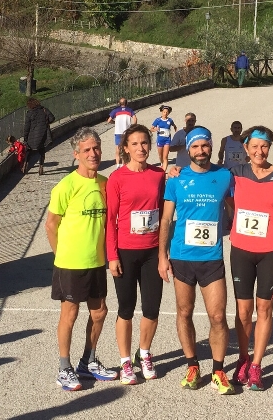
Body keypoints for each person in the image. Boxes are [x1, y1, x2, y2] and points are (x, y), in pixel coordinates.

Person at [158, 126, 236, 395]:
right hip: (182, 257)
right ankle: (192, 365)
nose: (200, 151)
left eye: (204, 146)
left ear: (211, 147)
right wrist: (162, 256)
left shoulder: (225, 176)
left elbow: (236, 209)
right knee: (184, 312)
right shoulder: (176, 179)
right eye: (195, 146)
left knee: (218, 316)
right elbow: (166, 219)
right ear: (188, 150)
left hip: (212, 258)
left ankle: (218, 370)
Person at [46, 127, 117, 391]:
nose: (93, 154)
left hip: (96, 262)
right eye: (86, 150)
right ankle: (64, 367)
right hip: (70, 263)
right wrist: (61, 255)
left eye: (96, 148)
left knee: (99, 312)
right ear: (76, 154)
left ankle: (87, 361)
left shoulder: (105, 183)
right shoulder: (66, 186)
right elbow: (51, 225)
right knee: (70, 313)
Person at [229, 126, 273, 391]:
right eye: (254, 146)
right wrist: (174, 170)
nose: (259, 151)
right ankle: (243, 358)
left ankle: (256, 365)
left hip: (270, 253)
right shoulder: (235, 173)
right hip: (241, 251)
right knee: (243, 311)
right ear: (245, 148)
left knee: (264, 308)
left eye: (264, 146)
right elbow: (207, 177)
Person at [106, 124, 166, 385]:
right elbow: (110, 220)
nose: (141, 148)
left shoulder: (158, 175)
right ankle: (125, 361)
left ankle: (145, 353)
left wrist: (164, 253)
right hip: (126, 252)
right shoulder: (117, 178)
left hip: (152, 251)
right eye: (135, 144)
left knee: (152, 308)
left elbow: (164, 215)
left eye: (144, 143)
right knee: (126, 308)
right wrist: (112, 255)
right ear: (126, 148)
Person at [22, 98, 56, 175]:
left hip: (32, 135)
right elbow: (52, 118)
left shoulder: (29, 113)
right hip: (43, 134)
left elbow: (26, 127)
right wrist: (46, 122)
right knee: (42, 150)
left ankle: (25, 165)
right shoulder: (44, 110)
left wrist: (25, 138)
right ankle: (41, 166)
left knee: (28, 150)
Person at [106, 97, 137, 168]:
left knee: (118, 148)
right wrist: (133, 127)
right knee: (124, 148)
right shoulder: (130, 110)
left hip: (118, 131)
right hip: (126, 132)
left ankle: (117, 164)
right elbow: (135, 119)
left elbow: (109, 120)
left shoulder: (115, 110)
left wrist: (114, 122)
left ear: (119, 103)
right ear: (126, 103)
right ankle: (123, 163)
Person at [150, 105, 176, 171]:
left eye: (167, 112)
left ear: (168, 113)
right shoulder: (157, 120)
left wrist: (176, 132)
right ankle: (162, 162)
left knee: (165, 156)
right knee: (160, 155)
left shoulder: (170, 120)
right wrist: (155, 129)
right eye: (164, 112)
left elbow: (174, 126)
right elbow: (151, 129)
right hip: (160, 140)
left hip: (167, 140)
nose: (165, 113)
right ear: (161, 112)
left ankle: (164, 171)